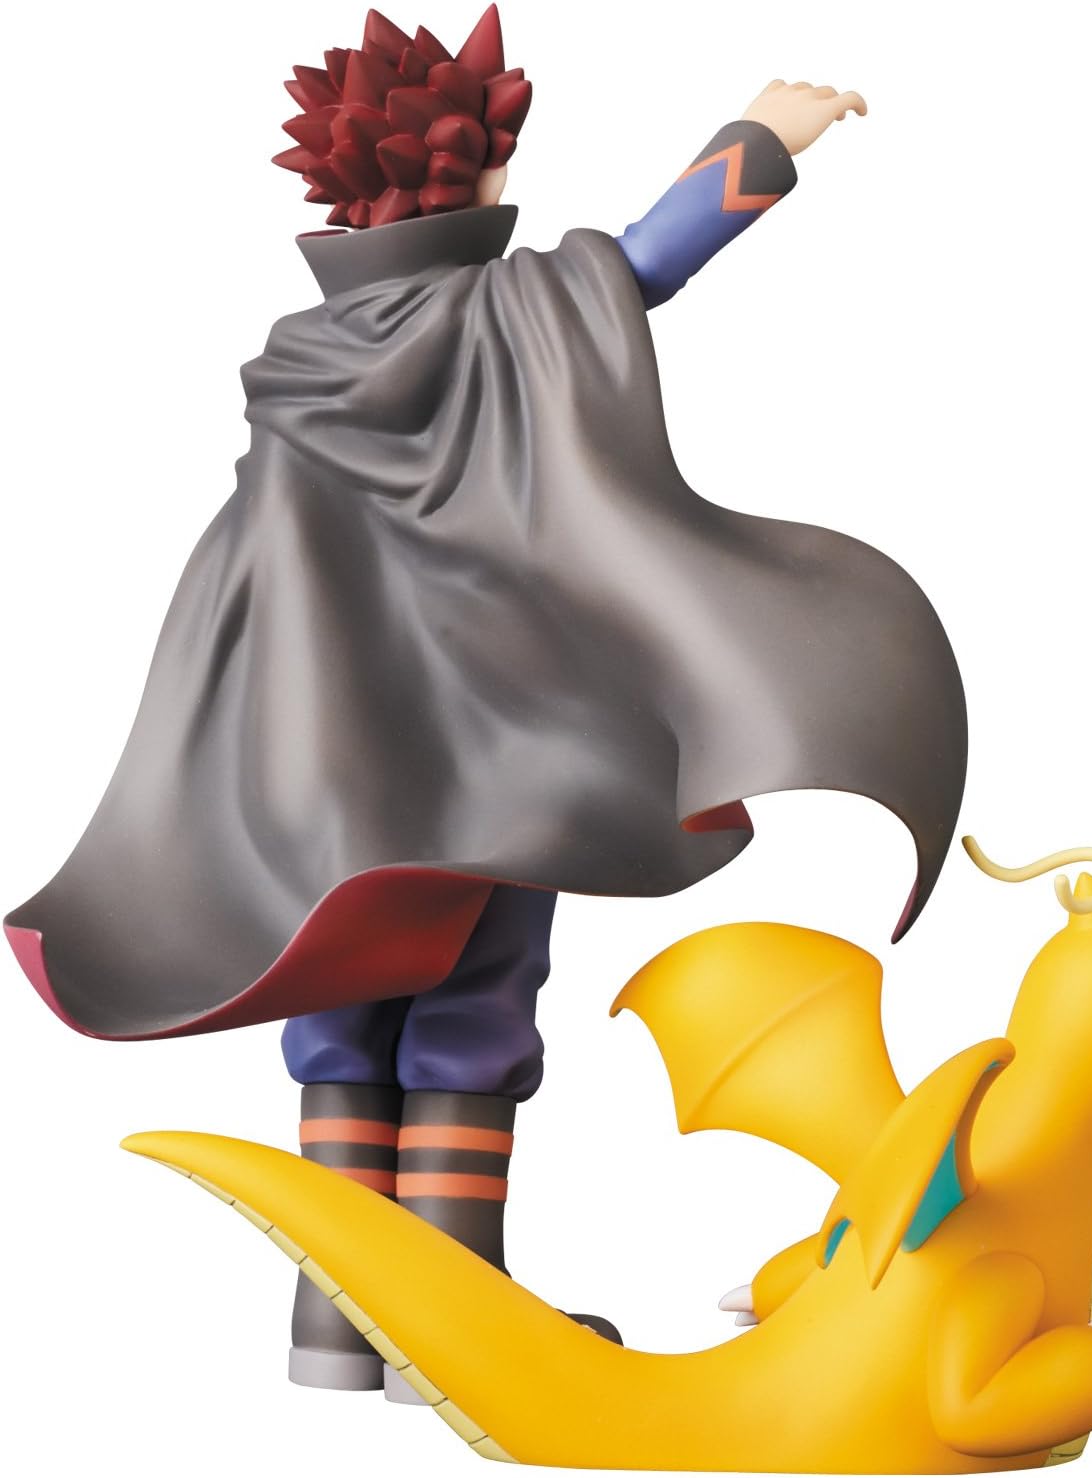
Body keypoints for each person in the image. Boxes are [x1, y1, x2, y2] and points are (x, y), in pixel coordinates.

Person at [4, 6, 969, 1397]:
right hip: (497, 753)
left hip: (315, 766)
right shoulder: (498, 313)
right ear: (473, 175)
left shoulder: (303, 358)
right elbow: (640, 263)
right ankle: (452, 1324)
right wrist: (764, 136)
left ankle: (339, 1324)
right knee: (474, 1003)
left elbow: (242, 576)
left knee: (345, 1011)